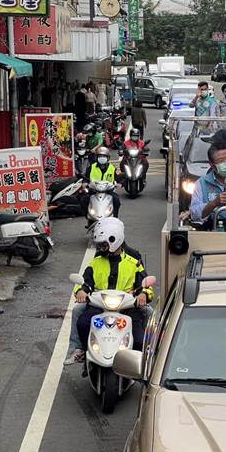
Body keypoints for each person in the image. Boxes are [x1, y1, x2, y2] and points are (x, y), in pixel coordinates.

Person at [64, 220, 151, 365]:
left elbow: (145, 285)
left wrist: (143, 294)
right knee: (83, 322)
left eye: (104, 244)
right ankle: (81, 350)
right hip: (100, 306)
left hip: (127, 308)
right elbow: (85, 283)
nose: (101, 248)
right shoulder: (95, 262)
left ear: (114, 241)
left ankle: (149, 357)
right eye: (100, 245)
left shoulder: (134, 263)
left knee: (142, 333)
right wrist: (81, 291)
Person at [83, 146, 121, 218]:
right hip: (93, 191)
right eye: (100, 156)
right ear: (96, 157)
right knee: (84, 200)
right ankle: (88, 217)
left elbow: (119, 177)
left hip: (108, 191)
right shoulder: (91, 167)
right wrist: (84, 183)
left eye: (104, 156)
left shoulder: (112, 168)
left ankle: (115, 218)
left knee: (116, 200)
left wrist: (120, 183)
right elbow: (86, 177)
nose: (102, 158)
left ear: (108, 158)